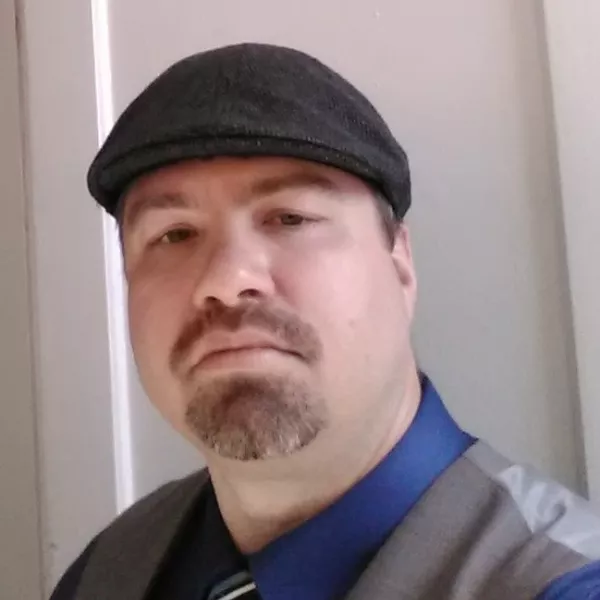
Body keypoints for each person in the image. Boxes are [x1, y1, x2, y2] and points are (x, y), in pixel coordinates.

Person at [51, 43, 600, 600]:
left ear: (400, 265)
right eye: (174, 234)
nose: (226, 278)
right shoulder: (103, 574)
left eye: (289, 218)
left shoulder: (563, 584)